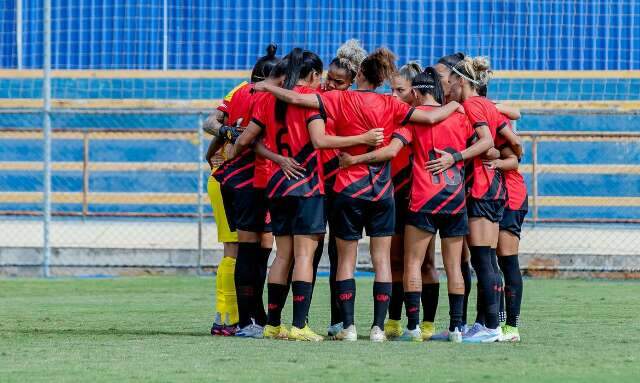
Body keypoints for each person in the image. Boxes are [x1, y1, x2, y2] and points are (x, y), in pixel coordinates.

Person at [256, 47, 463, 342]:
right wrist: (456, 106)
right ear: (381, 79)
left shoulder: (341, 98)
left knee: (344, 261)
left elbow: (297, 98)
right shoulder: (391, 104)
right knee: (381, 261)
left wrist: (268, 86)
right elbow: (430, 119)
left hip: (347, 189)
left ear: (359, 76)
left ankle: (348, 326)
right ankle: (379, 328)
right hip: (382, 192)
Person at [339, 67, 493, 342]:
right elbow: (487, 146)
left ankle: (413, 326)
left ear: (419, 93)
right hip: (455, 200)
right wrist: (457, 157)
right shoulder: (460, 117)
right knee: (454, 266)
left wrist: (355, 160)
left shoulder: (413, 122)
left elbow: (390, 151)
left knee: (412, 263)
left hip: (423, 199)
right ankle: (457, 328)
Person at [210, 44, 279, 338]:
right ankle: (227, 317)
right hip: (237, 178)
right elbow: (214, 124)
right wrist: (227, 140)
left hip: (251, 177)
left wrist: (215, 148)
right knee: (236, 250)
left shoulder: (244, 92)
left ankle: (253, 314)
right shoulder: (251, 93)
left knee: (260, 251)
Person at [383, 61, 438, 341]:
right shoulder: (392, 114)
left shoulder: (426, 117)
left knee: (425, 261)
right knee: (394, 259)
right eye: (390, 89)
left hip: (421, 196)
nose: (393, 95)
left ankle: (426, 323)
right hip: (393, 194)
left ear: (414, 92)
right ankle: (393, 319)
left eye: (399, 90)